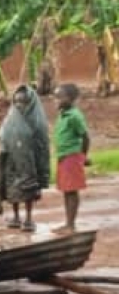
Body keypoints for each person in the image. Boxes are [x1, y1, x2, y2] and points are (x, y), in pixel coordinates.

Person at [0, 85, 50, 232]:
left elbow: (42, 144)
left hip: (30, 164)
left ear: (31, 102)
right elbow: (2, 135)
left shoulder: (37, 121)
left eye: (23, 101)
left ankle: (28, 218)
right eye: (16, 101)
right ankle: (15, 217)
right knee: (13, 191)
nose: (19, 105)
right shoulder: (11, 119)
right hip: (12, 162)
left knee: (28, 191)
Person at [52, 83, 90, 233]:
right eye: (55, 97)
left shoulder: (74, 116)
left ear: (71, 99)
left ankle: (71, 225)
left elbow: (85, 137)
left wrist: (82, 156)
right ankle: (68, 223)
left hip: (72, 157)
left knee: (72, 190)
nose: (56, 100)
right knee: (67, 190)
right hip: (63, 157)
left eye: (60, 97)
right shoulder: (63, 114)